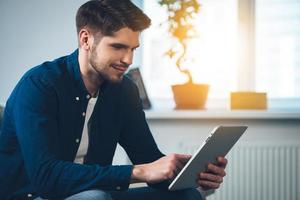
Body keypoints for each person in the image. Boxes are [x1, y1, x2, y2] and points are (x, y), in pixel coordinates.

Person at [0, 0, 227, 199]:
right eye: (118, 47)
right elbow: (45, 177)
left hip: (96, 193)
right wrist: (139, 171)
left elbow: (147, 158)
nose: (127, 59)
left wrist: (188, 173)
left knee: (187, 195)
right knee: (94, 197)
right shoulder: (40, 84)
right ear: (86, 39)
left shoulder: (124, 90)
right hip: (34, 195)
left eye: (133, 49)